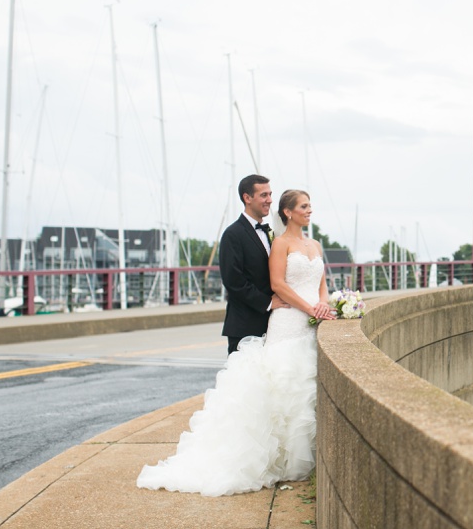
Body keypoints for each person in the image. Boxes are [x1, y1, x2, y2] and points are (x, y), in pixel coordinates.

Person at [137, 189, 336, 496]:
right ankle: (280, 459)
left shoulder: (315, 244)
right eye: (304, 206)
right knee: (284, 385)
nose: (310, 210)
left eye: (310, 205)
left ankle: (305, 454)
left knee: (306, 388)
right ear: (288, 212)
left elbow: (322, 283)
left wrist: (323, 305)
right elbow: (276, 284)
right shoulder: (279, 243)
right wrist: (309, 308)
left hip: (312, 321)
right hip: (288, 320)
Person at [219, 174, 289, 354]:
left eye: (270, 194)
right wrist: (267, 302)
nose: (270, 200)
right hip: (245, 325)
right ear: (247, 198)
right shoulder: (232, 234)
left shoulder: (270, 233)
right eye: (264, 195)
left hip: (273, 324)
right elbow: (233, 281)